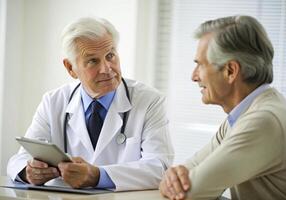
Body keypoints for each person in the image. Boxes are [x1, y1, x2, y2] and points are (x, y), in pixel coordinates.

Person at [7, 17, 174, 191]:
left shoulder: (149, 101)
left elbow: (160, 167)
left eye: (110, 56)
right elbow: (19, 159)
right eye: (93, 61)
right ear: (70, 68)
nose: (107, 68)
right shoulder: (53, 102)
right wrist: (29, 172)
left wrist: (97, 176)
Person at [159, 15, 286, 199]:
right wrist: (171, 178)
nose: (194, 76)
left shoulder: (264, 121)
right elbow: (184, 171)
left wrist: (173, 182)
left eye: (200, 65)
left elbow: (190, 192)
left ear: (230, 71)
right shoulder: (243, 115)